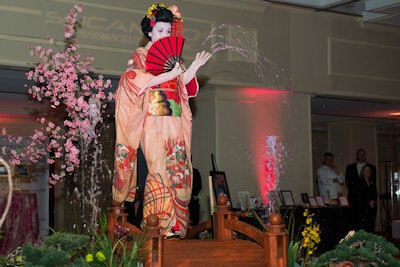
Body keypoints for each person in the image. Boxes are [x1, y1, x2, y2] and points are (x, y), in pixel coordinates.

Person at [112, 3, 211, 239]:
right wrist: (169, 74)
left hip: (175, 120)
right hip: (154, 120)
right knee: (158, 170)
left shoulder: (173, 58)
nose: (165, 36)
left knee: (179, 168)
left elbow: (183, 86)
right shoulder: (141, 55)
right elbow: (134, 81)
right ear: (150, 31)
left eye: (168, 32)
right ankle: (157, 225)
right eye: (160, 31)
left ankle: (177, 225)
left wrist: (194, 66)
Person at [354, 165, 378, 232]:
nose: (367, 172)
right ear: (362, 172)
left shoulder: (372, 182)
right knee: (363, 226)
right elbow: (359, 195)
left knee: (371, 224)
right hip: (363, 207)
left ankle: (370, 240)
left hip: (372, 207)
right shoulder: (359, 182)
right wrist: (368, 202)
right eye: (365, 170)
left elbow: (375, 193)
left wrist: (373, 201)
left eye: (369, 170)